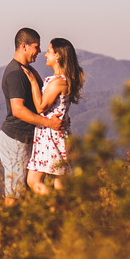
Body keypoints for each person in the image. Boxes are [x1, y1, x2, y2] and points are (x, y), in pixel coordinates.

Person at [0, 27, 63, 205]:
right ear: (24, 46)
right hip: (16, 139)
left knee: (22, 190)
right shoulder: (16, 74)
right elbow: (18, 109)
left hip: (24, 138)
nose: (39, 52)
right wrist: (49, 123)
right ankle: (5, 230)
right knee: (14, 193)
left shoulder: (27, 70)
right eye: (36, 47)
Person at [21, 37, 85, 194]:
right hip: (51, 133)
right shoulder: (61, 80)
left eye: (49, 51)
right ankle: (61, 209)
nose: (45, 54)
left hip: (50, 135)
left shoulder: (58, 82)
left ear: (58, 56)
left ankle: (58, 208)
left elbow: (41, 107)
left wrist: (33, 83)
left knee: (37, 180)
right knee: (56, 181)